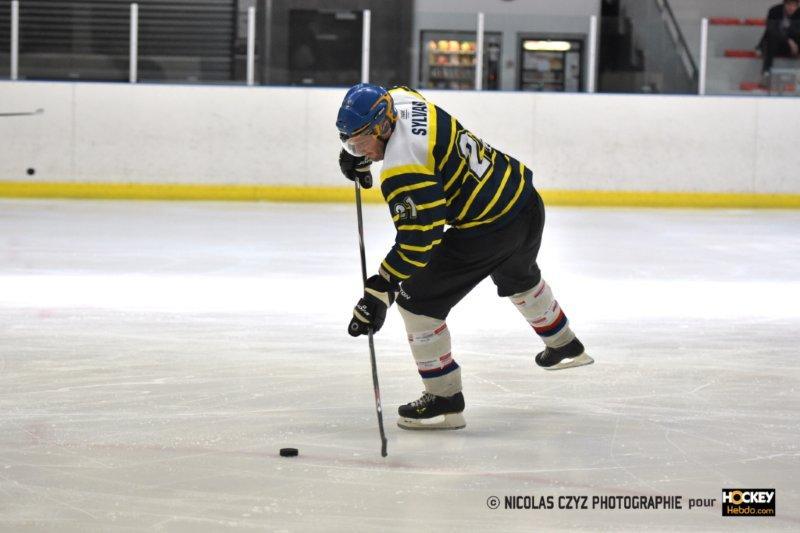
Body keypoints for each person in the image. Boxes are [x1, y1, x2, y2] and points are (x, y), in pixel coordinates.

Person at [336, 84, 593, 431]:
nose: (357, 149)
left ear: (383, 126)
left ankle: (444, 401)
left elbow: (420, 239)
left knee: (417, 301)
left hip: (492, 226)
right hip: (522, 197)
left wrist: (381, 288)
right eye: (349, 143)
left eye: (360, 142)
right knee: (518, 277)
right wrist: (360, 153)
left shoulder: (404, 166)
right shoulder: (400, 99)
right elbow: (405, 99)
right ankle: (565, 345)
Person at [758, 0, 800, 78]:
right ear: (784, 4)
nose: (791, 8)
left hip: (793, 47)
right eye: (789, 5)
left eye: (794, 6)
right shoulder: (774, 11)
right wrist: (788, 40)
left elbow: (797, 31)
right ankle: (766, 70)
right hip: (774, 45)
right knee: (772, 37)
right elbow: (771, 30)